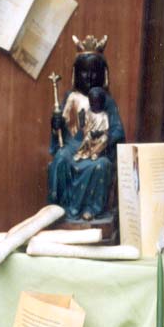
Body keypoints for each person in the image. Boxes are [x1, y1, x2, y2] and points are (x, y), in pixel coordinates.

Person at [48, 36, 125, 221]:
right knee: (59, 160)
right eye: (84, 73)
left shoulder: (107, 102)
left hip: (97, 151)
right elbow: (60, 136)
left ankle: (92, 209)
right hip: (73, 147)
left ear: (103, 75)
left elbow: (118, 132)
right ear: (75, 74)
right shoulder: (69, 99)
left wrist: (104, 139)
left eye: (94, 73)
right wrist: (55, 125)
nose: (89, 77)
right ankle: (59, 210)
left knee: (102, 166)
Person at [73, 87, 109, 161]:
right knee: (86, 138)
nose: (93, 104)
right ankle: (80, 153)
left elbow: (106, 130)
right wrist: (81, 119)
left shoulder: (104, 115)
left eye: (96, 102)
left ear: (101, 102)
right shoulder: (89, 113)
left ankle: (94, 153)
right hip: (90, 136)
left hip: (99, 138)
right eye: (91, 102)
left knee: (105, 139)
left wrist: (99, 133)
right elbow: (84, 127)